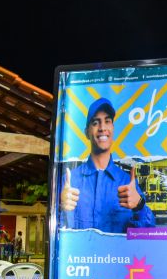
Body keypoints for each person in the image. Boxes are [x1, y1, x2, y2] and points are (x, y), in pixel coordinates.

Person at [59, 98, 155, 233]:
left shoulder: (127, 182)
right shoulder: (69, 181)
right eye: (95, 122)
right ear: (87, 132)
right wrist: (60, 208)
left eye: (107, 121)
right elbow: (55, 236)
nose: (102, 128)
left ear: (113, 129)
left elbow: (147, 235)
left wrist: (139, 206)